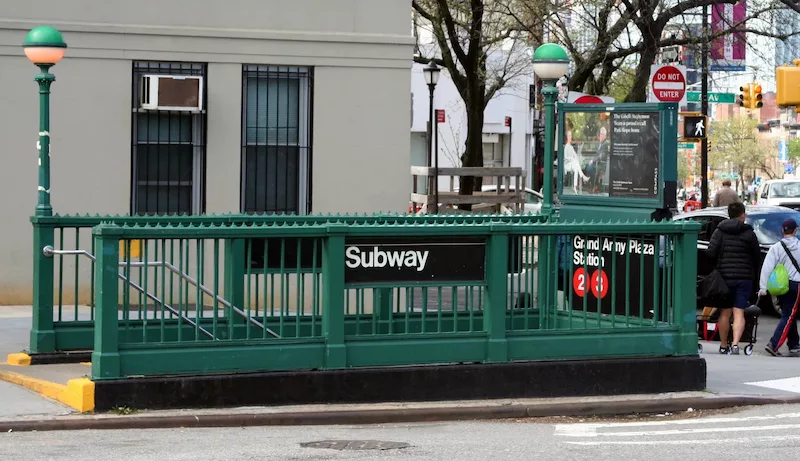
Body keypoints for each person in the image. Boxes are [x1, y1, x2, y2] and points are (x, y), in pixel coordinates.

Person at [706, 202, 761, 355]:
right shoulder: (749, 233)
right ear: (742, 214)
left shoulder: (720, 231)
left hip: (724, 277)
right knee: (739, 312)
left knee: (725, 312)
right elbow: (756, 256)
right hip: (744, 278)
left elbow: (710, 252)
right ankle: (736, 344)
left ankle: (724, 345)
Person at [759, 219, 800, 357]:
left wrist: (763, 287)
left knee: (788, 313)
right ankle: (774, 344)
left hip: (781, 286)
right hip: (796, 284)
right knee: (789, 315)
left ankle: (794, 344)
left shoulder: (776, 247)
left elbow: (767, 268)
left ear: (783, 230)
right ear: (796, 230)